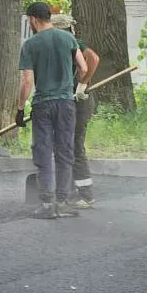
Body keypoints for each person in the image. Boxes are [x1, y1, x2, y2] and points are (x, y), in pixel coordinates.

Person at [17, 2, 87, 219]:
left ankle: (48, 204)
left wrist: (20, 109)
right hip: (66, 104)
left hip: (43, 105)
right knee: (65, 152)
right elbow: (84, 68)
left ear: (32, 19)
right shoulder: (68, 39)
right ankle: (63, 202)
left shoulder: (31, 44)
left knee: (44, 153)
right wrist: (74, 87)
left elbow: (27, 81)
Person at [51, 14, 100, 209]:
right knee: (64, 145)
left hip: (78, 102)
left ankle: (86, 195)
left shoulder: (72, 41)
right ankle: (68, 191)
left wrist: (82, 84)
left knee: (74, 146)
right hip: (66, 102)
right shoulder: (61, 45)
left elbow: (93, 59)